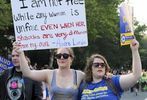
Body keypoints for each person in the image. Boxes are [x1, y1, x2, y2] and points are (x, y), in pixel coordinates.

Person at [13, 43, 85, 100]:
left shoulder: (79, 75)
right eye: (58, 56)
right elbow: (27, 73)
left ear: (71, 58)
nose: (62, 58)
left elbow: (94, 81)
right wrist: (21, 53)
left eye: (65, 55)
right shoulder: (49, 74)